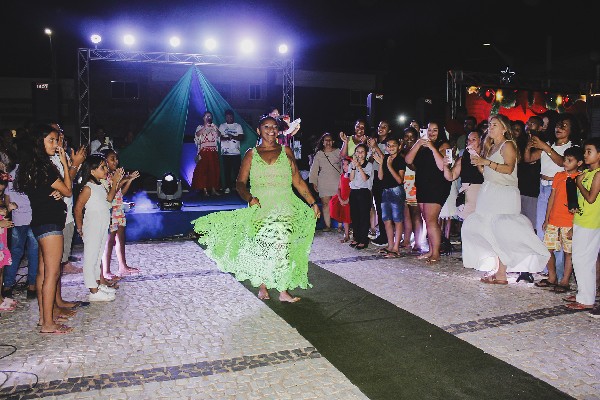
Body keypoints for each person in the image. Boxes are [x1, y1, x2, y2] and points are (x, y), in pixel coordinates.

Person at [192, 115, 319, 303]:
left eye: (274, 127)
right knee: (263, 247)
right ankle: (263, 286)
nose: (271, 130)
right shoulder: (251, 154)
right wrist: (249, 198)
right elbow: (240, 183)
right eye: (266, 127)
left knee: (283, 246)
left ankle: (283, 290)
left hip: (285, 206)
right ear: (258, 131)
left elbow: (298, 180)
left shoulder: (286, 151)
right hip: (261, 207)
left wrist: (312, 202)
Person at [462, 114, 550, 284]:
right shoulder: (490, 146)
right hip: (489, 191)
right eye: (490, 124)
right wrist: (479, 163)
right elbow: (487, 173)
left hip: (504, 192)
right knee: (490, 230)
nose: (490, 127)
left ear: (504, 128)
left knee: (502, 230)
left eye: (495, 124)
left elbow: (508, 169)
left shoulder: (507, 144)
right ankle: (498, 270)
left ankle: (502, 273)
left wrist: (486, 162)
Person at [15, 125, 74, 334]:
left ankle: (44, 318)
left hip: (40, 222)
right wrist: (65, 164)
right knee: (52, 273)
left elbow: (53, 191)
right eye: (51, 140)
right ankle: (48, 324)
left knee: (43, 272)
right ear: (39, 142)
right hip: (49, 223)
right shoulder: (44, 167)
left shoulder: (33, 166)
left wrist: (58, 192)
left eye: (56, 140)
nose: (55, 144)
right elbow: (68, 190)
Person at [74, 155, 123, 301]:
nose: (106, 169)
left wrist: (115, 182)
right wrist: (80, 227)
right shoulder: (88, 188)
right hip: (93, 227)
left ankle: (97, 285)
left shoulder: (100, 185)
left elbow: (109, 200)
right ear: (92, 171)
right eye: (102, 167)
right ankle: (93, 291)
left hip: (102, 226)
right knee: (91, 258)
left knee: (97, 256)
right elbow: (78, 208)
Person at [535, 146, 583, 293]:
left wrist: (575, 225)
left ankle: (565, 281)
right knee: (547, 249)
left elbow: (581, 203)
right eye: (565, 160)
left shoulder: (581, 178)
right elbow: (552, 198)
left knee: (569, 252)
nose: (565, 163)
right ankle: (552, 277)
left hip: (569, 222)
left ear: (579, 163)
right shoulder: (558, 176)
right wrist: (546, 218)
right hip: (554, 220)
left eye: (570, 160)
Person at [404, 121, 452, 263]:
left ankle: (436, 253)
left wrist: (432, 147)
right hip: (422, 185)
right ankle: (431, 250)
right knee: (427, 219)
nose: (431, 133)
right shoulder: (421, 145)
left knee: (431, 220)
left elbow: (442, 166)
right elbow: (408, 160)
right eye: (429, 130)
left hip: (437, 186)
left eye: (435, 130)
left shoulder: (444, 145)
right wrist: (418, 143)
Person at [565, 138, 600, 310]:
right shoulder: (587, 172)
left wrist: (578, 183)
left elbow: (591, 198)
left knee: (584, 260)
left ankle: (586, 299)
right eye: (585, 151)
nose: (585, 155)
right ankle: (583, 293)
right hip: (581, 219)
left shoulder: (598, 174)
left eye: (589, 151)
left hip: (591, 222)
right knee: (580, 259)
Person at [2, 153, 38, 301]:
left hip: (21, 218)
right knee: (32, 253)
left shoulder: (11, 172)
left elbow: (7, 196)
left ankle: (8, 286)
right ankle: (31, 287)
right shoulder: (32, 170)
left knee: (17, 252)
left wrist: (8, 208)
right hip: (31, 218)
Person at [101, 149, 141, 279]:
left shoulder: (114, 175)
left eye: (116, 158)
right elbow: (111, 192)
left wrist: (128, 181)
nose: (116, 161)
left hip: (119, 209)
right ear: (105, 161)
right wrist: (122, 180)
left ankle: (123, 266)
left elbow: (120, 193)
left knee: (121, 239)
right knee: (109, 241)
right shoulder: (105, 176)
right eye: (112, 159)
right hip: (110, 211)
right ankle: (106, 270)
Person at [372, 137, 406, 257]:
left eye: (393, 145)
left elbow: (399, 180)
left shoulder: (400, 160)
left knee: (397, 220)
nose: (391, 147)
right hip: (385, 191)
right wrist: (382, 164)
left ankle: (396, 248)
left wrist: (389, 166)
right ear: (386, 148)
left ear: (399, 147)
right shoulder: (386, 158)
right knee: (386, 220)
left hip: (396, 191)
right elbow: (380, 177)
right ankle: (390, 245)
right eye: (389, 145)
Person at [443, 130, 484, 221]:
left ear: (481, 141)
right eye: (468, 140)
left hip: (482, 194)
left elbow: (486, 173)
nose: (470, 142)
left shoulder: (486, 156)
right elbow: (451, 177)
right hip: (468, 195)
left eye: (473, 139)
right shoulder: (463, 158)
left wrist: (475, 156)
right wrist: (445, 166)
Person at [309, 133, 341, 232]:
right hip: (323, 181)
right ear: (322, 142)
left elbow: (344, 165)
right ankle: (328, 225)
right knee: (325, 204)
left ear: (333, 141)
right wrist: (314, 182)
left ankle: (340, 225)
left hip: (337, 181)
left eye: (330, 140)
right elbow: (314, 169)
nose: (328, 142)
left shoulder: (338, 152)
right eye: (326, 140)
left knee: (338, 203)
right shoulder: (319, 154)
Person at [369, 121, 393, 246]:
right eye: (379, 126)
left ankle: (386, 236)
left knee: (385, 207)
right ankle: (382, 234)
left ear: (389, 130)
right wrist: (371, 148)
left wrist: (376, 147)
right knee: (378, 206)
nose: (381, 128)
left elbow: (386, 160)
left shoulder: (390, 144)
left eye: (384, 127)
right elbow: (370, 160)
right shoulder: (375, 142)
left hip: (384, 178)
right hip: (374, 176)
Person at [400, 127, 424, 252]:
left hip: (414, 183)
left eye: (412, 137)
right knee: (406, 213)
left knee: (415, 213)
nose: (409, 139)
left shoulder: (419, 150)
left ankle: (418, 242)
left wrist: (405, 156)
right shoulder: (401, 150)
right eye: (406, 136)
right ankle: (406, 240)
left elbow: (415, 167)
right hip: (403, 184)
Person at [348, 143, 374, 250]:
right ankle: (356, 237)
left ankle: (363, 239)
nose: (360, 154)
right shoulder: (352, 164)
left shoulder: (369, 165)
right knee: (355, 216)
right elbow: (351, 178)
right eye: (358, 152)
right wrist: (354, 167)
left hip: (364, 192)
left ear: (366, 153)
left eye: (362, 152)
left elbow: (365, 178)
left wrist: (359, 167)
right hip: (354, 191)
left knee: (364, 216)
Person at [192, 111, 221, 196]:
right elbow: (197, 135)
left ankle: (213, 189)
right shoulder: (200, 127)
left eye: (210, 116)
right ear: (203, 118)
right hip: (204, 152)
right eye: (207, 116)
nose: (208, 118)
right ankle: (204, 189)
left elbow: (219, 135)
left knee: (214, 170)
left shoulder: (214, 126)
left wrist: (214, 127)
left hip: (213, 151)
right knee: (203, 171)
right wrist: (205, 126)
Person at [218, 109, 244, 194]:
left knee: (237, 171)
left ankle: (238, 187)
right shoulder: (222, 126)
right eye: (227, 117)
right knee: (227, 171)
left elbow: (241, 137)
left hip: (236, 152)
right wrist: (228, 137)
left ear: (233, 117)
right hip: (225, 152)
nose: (229, 118)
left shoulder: (237, 126)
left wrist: (232, 137)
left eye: (230, 117)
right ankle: (228, 187)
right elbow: (220, 138)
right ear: (225, 117)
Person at [330, 157, 352, 243]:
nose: (345, 166)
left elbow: (353, 189)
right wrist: (340, 198)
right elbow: (339, 188)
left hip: (350, 198)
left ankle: (351, 234)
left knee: (348, 217)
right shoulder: (342, 175)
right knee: (344, 216)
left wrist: (347, 200)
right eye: (343, 164)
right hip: (342, 198)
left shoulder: (352, 176)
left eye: (347, 164)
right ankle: (346, 235)